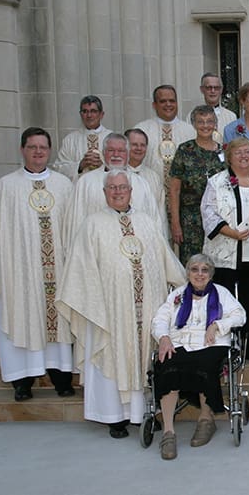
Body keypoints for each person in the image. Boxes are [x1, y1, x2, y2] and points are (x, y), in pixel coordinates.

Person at [56, 169, 186, 438]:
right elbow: (81, 271)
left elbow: (164, 260)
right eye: (112, 188)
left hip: (146, 305)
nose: (117, 192)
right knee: (112, 356)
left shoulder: (147, 222)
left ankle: (143, 414)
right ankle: (113, 416)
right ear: (104, 193)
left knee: (145, 358)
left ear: (131, 191)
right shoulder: (91, 224)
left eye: (122, 187)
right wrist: (96, 303)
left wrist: (185, 285)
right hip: (109, 309)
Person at [0, 127, 75, 402]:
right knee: (20, 318)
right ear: (22, 150)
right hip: (19, 273)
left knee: (58, 323)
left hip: (57, 270)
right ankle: (22, 381)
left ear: (49, 151)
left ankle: (61, 377)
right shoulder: (5, 187)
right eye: (32, 147)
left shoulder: (63, 185)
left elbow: (72, 230)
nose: (38, 152)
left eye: (43, 147)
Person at [151, 254, 246, 459]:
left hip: (211, 344)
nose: (200, 274)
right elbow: (160, 318)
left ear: (211, 274)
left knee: (205, 365)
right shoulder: (177, 295)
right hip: (180, 343)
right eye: (195, 269)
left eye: (204, 270)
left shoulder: (222, 293)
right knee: (167, 366)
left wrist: (217, 325)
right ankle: (168, 432)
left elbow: (240, 315)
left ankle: (206, 419)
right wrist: (164, 338)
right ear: (188, 273)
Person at [201, 137, 249, 363]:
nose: (243, 156)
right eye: (238, 152)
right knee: (225, 302)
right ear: (229, 157)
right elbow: (208, 213)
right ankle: (225, 347)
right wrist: (231, 232)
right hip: (226, 253)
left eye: (248, 152)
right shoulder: (217, 182)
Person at [64, 132, 164, 241]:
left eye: (121, 151)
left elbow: (154, 221)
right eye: (111, 150)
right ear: (103, 153)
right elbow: (75, 223)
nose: (116, 155)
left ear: (128, 153)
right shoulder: (86, 183)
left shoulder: (141, 183)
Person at [169, 106, 227, 264]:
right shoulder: (184, 150)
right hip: (190, 220)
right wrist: (175, 223)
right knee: (192, 264)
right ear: (194, 124)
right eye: (200, 122)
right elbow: (174, 189)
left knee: (215, 263)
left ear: (215, 124)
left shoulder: (223, 153)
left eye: (209, 121)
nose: (205, 126)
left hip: (216, 219)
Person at [133, 84, 197, 190]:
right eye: (163, 101)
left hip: (183, 194)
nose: (168, 104)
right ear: (154, 105)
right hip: (150, 190)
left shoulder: (190, 131)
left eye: (172, 101)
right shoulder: (141, 130)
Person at [54, 95, 112, 179]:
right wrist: (80, 165)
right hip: (80, 188)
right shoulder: (70, 140)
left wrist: (103, 167)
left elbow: (122, 167)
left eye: (93, 111)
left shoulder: (112, 137)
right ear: (80, 114)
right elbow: (59, 169)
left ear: (101, 114)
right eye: (85, 111)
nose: (89, 115)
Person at [125, 128, 165, 221]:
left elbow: (161, 212)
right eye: (134, 144)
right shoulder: (117, 176)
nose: (139, 148)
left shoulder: (154, 176)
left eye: (142, 145)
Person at [186, 72, 237, 144]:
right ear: (202, 89)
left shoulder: (231, 117)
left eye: (216, 88)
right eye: (209, 88)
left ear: (221, 90)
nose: (213, 91)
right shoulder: (192, 115)